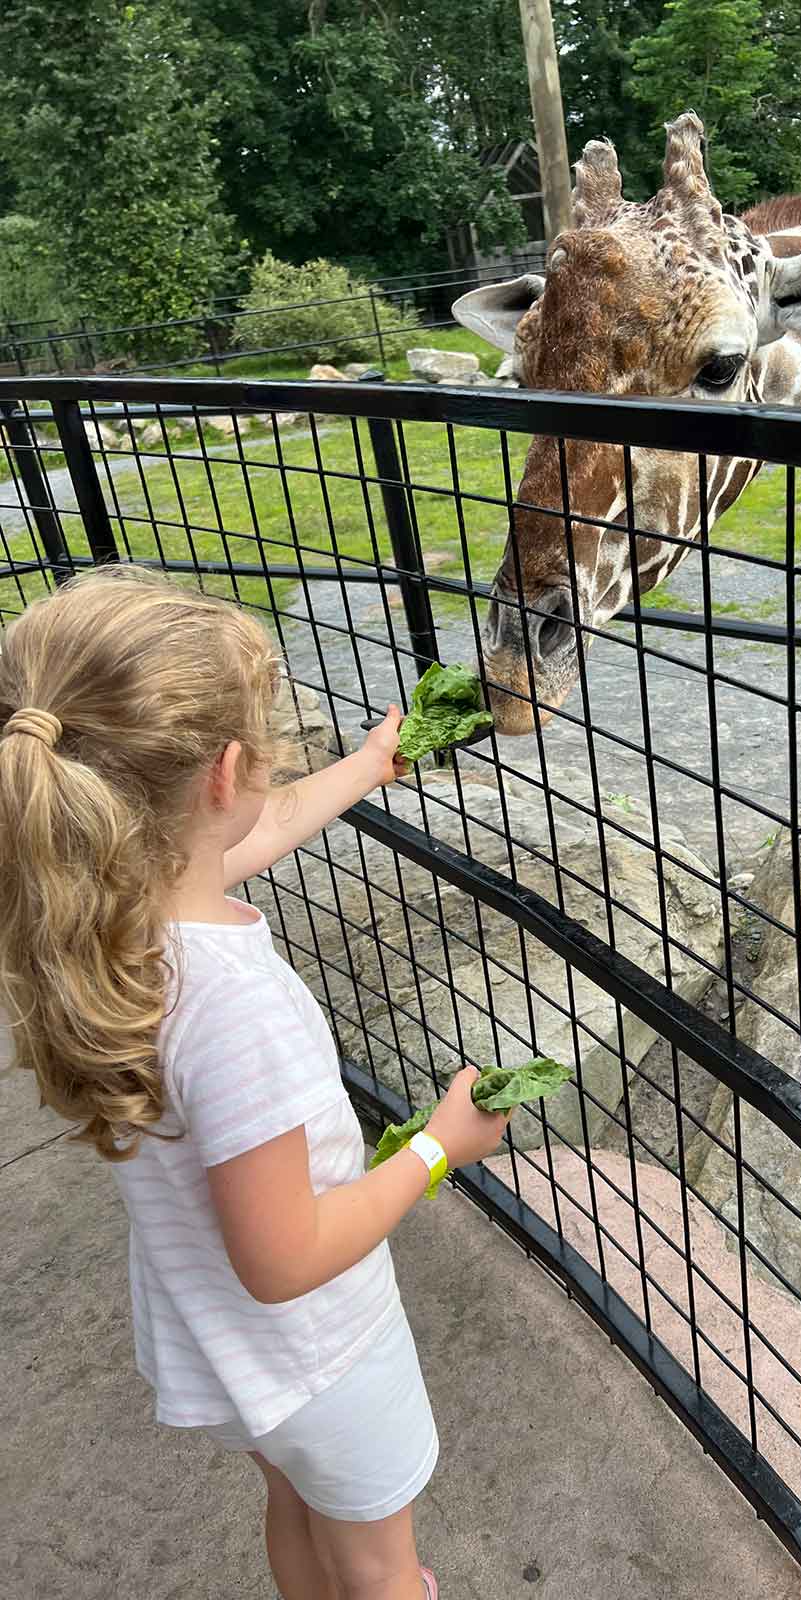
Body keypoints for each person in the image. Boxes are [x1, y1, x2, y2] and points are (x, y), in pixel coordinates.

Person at [0, 566, 509, 1600]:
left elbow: (254, 833)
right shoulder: (235, 1008)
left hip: (216, 1344)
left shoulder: (106, 910)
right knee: (384, 1570)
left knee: (294, 1503)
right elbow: (284, 1258)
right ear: (226, 773)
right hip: (316, 1352)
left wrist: (371, 763)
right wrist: (434, 1149)